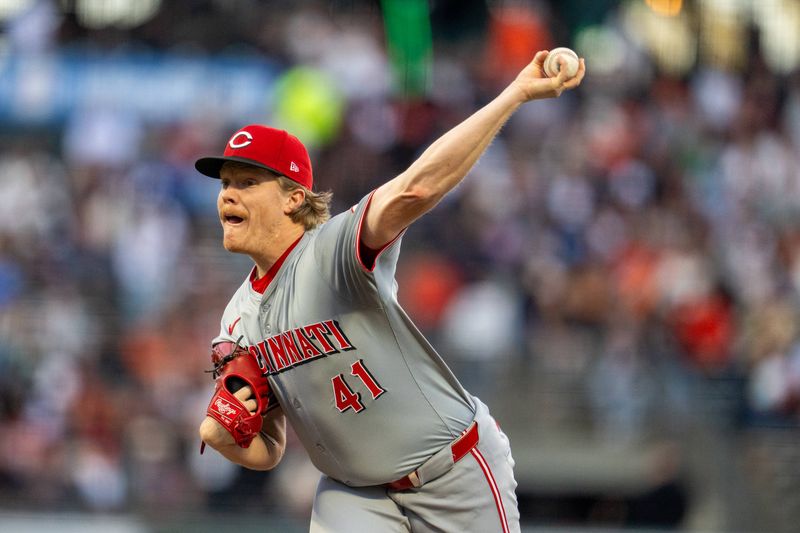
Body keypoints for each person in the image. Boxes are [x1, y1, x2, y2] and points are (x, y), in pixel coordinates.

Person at [196, 50, 585, 532]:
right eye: (226, 183)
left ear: (295, 198)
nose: (228, 194)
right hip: (354, 492)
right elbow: (270, 449)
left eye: (248, 182)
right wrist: (227, 437)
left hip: (452, 471)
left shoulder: (330, 251)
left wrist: (516, 93)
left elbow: (414, 191)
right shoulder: (237, 321)